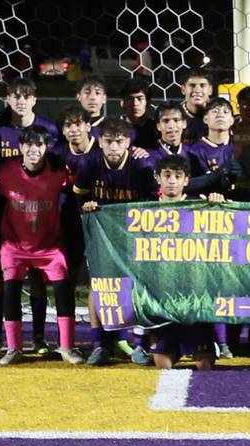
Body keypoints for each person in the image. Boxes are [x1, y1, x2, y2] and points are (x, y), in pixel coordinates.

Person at [0, 125, 82, 366]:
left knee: (64, 290)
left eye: (40, 145)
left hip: (50, 245)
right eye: (29, 145)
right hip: (14, 245)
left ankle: (67, 345)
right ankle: (14, 348)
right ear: (21, 147)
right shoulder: (5, 172)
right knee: (10, 291)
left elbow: (77, 186)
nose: (34, 150)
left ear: (47, 148)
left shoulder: (59, 171)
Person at [74, 118, 156, 366]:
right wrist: (85, 207)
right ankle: (100, 345)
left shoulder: (143, 165)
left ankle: (140, 343)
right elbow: (78, 200)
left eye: (119, 142)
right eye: (108, 141)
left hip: (135, 235)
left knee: (138, 287)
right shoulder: (88, 163)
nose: (113, 147)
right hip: (102, 235)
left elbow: (153, 204)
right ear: (99, 142)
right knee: (98, 286)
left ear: (128, 143)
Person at [0, 77, 59, 355]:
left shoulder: (49, 130)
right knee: (3, 279)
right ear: (7, 99)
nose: (20, 101)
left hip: (41, 214)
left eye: (25, 96)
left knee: (39, 280)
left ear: (34, 100)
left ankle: (39, 337)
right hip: (8, 211)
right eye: (15, 96)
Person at [148, 154, 219, 371]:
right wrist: (94, 209)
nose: (172, 181)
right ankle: (155, 343)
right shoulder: (143, 209)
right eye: (167, 175)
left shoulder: (200, 206)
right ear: (157, 177)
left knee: (204, 364)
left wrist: (219, 204)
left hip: (194, 294)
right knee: (163, 365)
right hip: (163, 295)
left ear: (186, 180)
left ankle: (212, 343)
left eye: (177, 176)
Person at [120, 77, 159, 149]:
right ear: (122, 103)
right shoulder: (114, 128)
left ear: (148, 103)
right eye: (131, 99)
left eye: (140, 99)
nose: (135, 103)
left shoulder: (156, 129)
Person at [180, 68, 214, 142]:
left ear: (210, 90)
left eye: (202, 85)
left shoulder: (217, 116)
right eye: (192, 85)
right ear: (183, 90)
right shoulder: (175, 116)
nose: (197, 90)